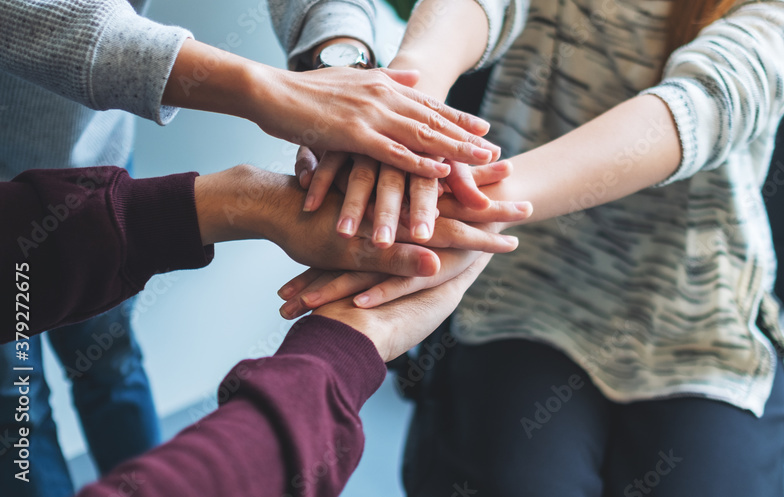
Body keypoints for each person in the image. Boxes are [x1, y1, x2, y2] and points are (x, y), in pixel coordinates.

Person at [288, 0, 784, 495]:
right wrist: (400, 102)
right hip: (525, 291)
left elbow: (700, 106)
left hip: (692, 320)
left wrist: (477, 206)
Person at [0, 0, 501, 492]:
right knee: (18, 403)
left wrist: (335, 61)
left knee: (110, 360)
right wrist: (261, 91)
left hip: (97, 168)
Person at [2, 165, 527, 497]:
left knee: (109, 366)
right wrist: (342, 347)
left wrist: (243, 202)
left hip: (64, 192)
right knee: (18, 398)